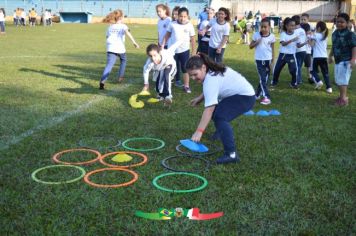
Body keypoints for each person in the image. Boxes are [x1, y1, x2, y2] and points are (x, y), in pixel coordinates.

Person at [187, 53, 255, 164]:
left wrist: (199, 131)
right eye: (190, 75)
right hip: (238, 94)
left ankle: (231, 154)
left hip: (245, 97)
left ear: (203, 67)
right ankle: (221, 132)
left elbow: (209, 109)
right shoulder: (211, 71)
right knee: (219, 114)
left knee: (219, 116)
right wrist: (200, 98)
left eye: (195, 74)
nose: (193, 78)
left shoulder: (211, 79)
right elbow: (211, 89)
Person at [99, 9, 139, 90]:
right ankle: (120, 77)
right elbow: (128, 33)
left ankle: (102, 81)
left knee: (109, 65)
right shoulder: (123, 26)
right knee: (123, 60)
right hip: (119, 47)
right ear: (121, 17)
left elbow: (107, 37)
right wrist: (134, 42)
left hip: (110, 47)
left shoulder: (110, 26)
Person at [162, 7, 195, 93]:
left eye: (185, 16)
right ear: (177, 15)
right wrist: (162, 45)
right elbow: (167, 35)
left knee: (185, 68)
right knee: (170, 67)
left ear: (187, 16)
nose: (182, 18)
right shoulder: (172, 24)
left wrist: (193, 50)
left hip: (184, 50)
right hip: (172, 51)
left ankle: (186, 86)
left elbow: (192, 39)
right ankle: (165, 85)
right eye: (181, 16)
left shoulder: (190, 25)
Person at [141, 41, 182, 106]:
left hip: (170, 65)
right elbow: (145, 71)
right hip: (161, 69)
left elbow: (174, 46)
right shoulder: (149, 62)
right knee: (159, 84)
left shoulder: (166, 53)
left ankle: (168, 96)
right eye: (151, 56)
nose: (153, 58)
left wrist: (183, 39)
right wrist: (146, 84)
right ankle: (161, 95)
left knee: (166, 75)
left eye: (155, 55)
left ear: (159, 53)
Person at [328, 13, 356, 106]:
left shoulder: (350, 34)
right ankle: (341, 97)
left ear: (347, 23)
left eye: (342, 22)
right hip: (338, 60)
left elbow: (354, 47)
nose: (339, 24)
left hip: (346, 60)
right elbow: (334, 46)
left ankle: (344, 99)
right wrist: (330, 56)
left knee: (343, 80)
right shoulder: (335, 33)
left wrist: (353, 59)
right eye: (337, 22)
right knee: (339, 80)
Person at [249, 18, 275, 105]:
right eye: (262, 27)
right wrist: (257, 42)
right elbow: (250, 46)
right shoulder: (256, 35)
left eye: (265, 27)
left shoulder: (272, 36)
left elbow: (273, 48)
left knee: (264, 79)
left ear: (269, 27)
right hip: (259, 60)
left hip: (268, 60)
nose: (263, 29)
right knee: (262, 79)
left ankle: (257, 95)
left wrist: (272, 60)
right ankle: (267, 97)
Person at [271, 17, 299, 89]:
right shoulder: (283, 34)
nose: (293, 27)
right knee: (277, 69)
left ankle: (294, 83)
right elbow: (283, 44)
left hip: (291, 55)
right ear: (286, 26)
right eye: (291, 25)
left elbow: (298, 45)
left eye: (294, 25)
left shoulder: (296, 34)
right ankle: (274, 82)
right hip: (282, 55)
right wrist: (292, 40)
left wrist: (305, 43)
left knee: (294, 70)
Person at [310, 21, 331, 93]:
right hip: (324, 57)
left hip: (316, 57)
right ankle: (329, 88)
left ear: (318, 28)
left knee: (313, 71)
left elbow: (312, 45)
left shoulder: (315, 35)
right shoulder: (325, 36)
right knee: (325, 73)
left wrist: (309, 40)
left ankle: (319, 81)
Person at [292, 15, 308, 85]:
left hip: (298, 50)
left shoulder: (296, 31)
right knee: (299, 66)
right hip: (304, 51)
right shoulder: (302, 30)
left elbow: (298, 43)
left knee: (297, 66)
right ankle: (299, 79)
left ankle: (298, 80)